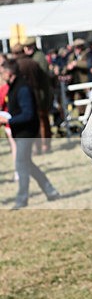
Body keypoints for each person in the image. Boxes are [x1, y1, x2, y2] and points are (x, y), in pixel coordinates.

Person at [0, 59, 60, 209]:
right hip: (20, 131)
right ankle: (50, 191)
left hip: (26, 132)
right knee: (27, 163)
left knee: (21, 164)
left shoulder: (23, 88)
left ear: (9, 72)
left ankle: (22, 199)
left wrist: (8, 120)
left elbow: (28, 114)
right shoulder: (14, 87)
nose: (1, 76)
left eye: (2, 73)